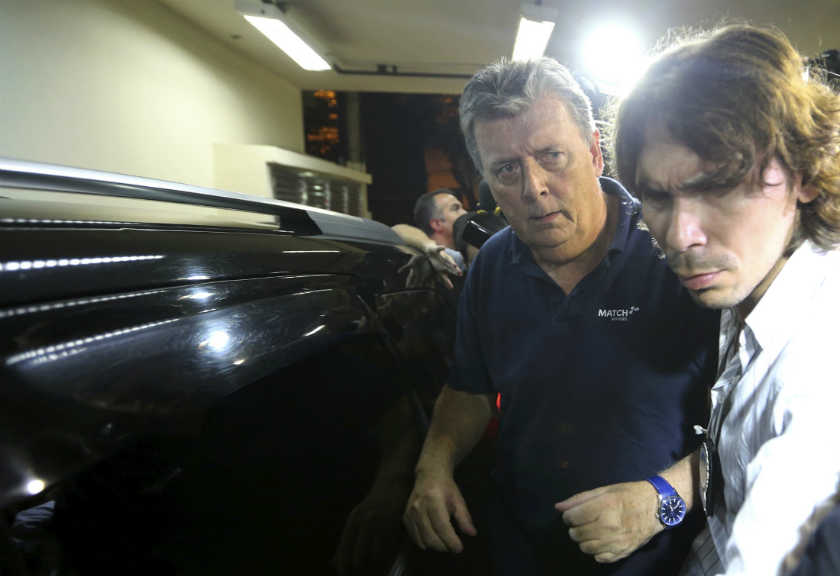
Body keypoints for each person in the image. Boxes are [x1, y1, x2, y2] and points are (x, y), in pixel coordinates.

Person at [403, 57, 718, 575]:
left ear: (595, 152)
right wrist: (432, 466)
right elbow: (470, 389)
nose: (533, 187)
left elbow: (752, 430)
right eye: (506, 170)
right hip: (522, 552)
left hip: (661, 560)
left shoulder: (677, 251)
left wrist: (664, 496)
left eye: (552, 156)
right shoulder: (491, 272)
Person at [556, 24, 840, 576]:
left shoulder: (818, 381)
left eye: (718, 185)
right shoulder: (756, 285)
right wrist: (666, 498)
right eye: (658, 196)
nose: (681, 235)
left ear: (803, 172)